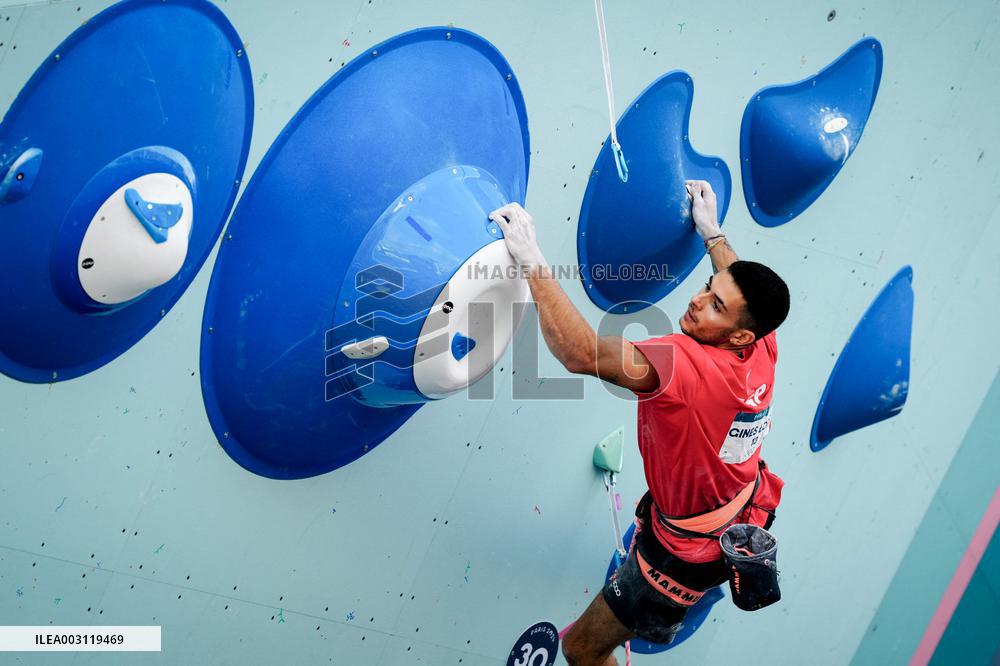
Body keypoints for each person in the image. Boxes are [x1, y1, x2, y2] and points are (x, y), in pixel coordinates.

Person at [489, 180, 790, 666]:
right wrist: (712, 233)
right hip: (743, 514)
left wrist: (529, 257)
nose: (697, 300)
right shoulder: (761, 350)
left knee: (582, 649)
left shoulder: (682, 365)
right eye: (706, 290)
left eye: (714, 305)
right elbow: (735, 278)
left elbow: (581, 353)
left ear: (738, 334)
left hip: (681, 560)